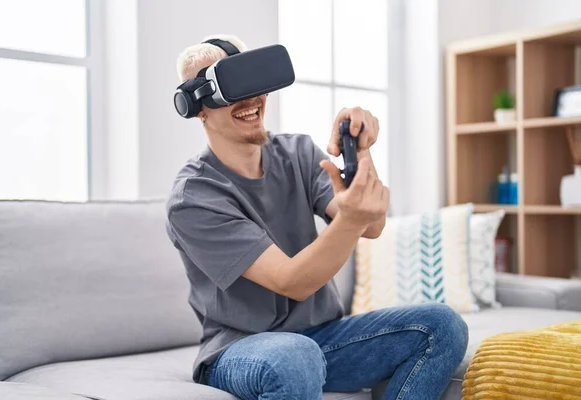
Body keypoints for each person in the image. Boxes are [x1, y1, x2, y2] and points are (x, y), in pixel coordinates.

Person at [165, 34, 469, 400]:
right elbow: (291, 281)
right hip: (241, 350)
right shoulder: (195, 196)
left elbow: (370, 225)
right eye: (230, 89)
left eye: (255, 81)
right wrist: (352, 219)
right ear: (197, 107)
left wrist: (359, 148)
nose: (251, 98)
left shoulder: (296, 151)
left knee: (441, 325)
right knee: (293, 355)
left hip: (322, 338)